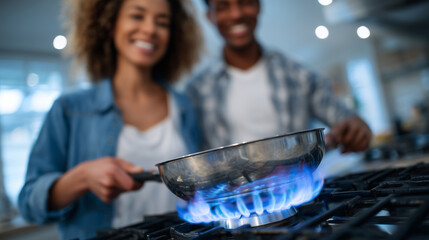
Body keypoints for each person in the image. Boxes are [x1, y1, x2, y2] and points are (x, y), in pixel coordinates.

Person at [18, 0, 202, 239]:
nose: (150, 29)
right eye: (137, 16)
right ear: (109, 24)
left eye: (162, 22)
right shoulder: (69, 109)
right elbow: (28, 203)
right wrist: (82, 177)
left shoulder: (185, 106)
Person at [186, 0, 372, 153]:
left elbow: (349, 121)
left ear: (258, 5)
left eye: (244, 2)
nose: (236, 14)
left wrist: (356, 131)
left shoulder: (299, 75)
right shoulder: (196, 92)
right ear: (210, 17)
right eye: (222, 7)